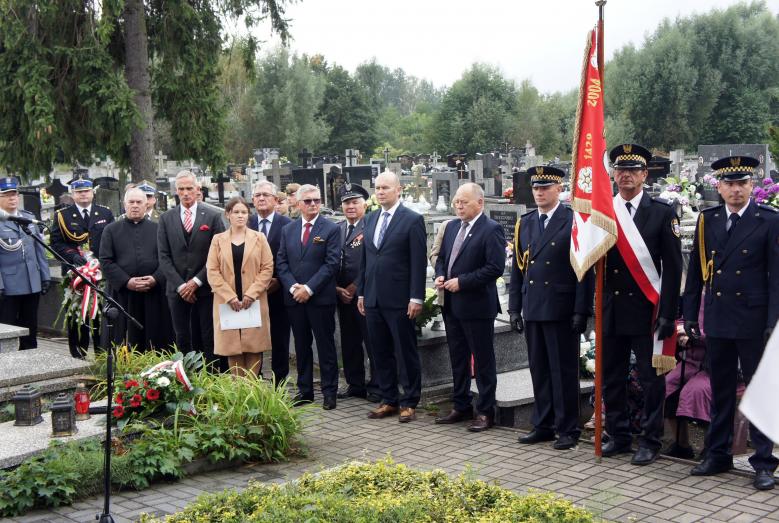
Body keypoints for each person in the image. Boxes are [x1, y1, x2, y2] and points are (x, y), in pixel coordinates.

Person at [682, 155, 779, 490]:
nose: (736, 190)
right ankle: (718, 453)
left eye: (742, 183)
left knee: (759, 392)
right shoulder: (707, 220)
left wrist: (773, 321)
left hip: (754, 320)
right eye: (729, 184)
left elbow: (776, 277)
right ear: (719, 187)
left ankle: (764, 462)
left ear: (752, 186)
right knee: (721, 390)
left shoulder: (768, 220)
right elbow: (695, 271)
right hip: (720, 318)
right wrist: (692, 312)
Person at [601, 144, 682, 465]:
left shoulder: (662, 212)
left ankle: (650, 439)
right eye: (620, 170)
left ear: (645, 175)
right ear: (614, 174)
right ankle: (618, 435)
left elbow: (674, 270)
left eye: (633, 171)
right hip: (612, 311)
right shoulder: (604, 211)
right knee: (612, 377)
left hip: (647, 312)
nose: (626, 176)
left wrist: (668, 314)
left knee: (650, 380)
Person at [508, 167, 593, 449]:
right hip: (533, 306)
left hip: (561, 308)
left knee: (563, 371)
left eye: (546, 188)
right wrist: (513, 308)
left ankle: (568, 428)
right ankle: (542, 424)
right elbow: (518, 269)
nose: (540, 192)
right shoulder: (527, 222)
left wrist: (581, 311)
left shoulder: (572, 221)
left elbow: (584, 270)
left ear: (559, 190)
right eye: (536, 188)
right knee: (539, 369)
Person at [434, 183, 505, 432]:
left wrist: (462, 282)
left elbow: (494, 267)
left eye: (464, 202)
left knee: (483, 361)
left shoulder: (491, 229)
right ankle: (461, 404)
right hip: (452, 305)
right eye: (456, 202)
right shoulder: (452, 226)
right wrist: (441, 275)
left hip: (476, 306)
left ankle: (485, 411)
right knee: (457, 358)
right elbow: (442, 257)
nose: (459, 206)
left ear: (480, 203)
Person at [357, 170, 427, 423]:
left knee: (404, 350)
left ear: (399, 190)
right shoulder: (371, 218)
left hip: (399, 299)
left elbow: (418, 262)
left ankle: (409, 401)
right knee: (380, 351)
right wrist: (362, 292)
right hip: (373, 297)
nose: (380, 191)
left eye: (386, 187)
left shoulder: (412, 220)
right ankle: (389, 399)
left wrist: (416, 297)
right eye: (377, 188)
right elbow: (366, 258)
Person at [276, 184, 341, 409]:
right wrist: (294, 288)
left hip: (320, 299)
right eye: (308, 201)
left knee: (325, 346)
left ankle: (330, 391)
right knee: (302, 346)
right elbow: (281, 262)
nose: (313, 204)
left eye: (316, 200)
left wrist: (309, 289)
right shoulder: (289, 230)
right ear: (299, 203)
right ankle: (305, 391)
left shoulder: (331, 229)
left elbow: (331, 264)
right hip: (294, 300)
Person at [157, 170, 226, 370]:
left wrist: (196, 282)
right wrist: (180, 286)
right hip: (176, 290)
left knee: (208, 336)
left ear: (197, 190)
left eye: (189, 188)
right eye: (181, 189)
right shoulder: (166, 218)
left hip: (204, 289)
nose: (186, 193)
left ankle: (212, 381)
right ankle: (185, 380)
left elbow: (218, 254)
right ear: (176, 191)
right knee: (182, 337)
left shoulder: (213, 216)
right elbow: (163, 256)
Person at [99, 188, 173, 351]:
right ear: (124, 204)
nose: (135, 206)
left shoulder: (158, 229)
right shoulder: (111, 230)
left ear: (146, 204)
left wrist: (156, 278)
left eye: (139, 202)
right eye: (131, 202)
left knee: (156, 338)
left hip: (153, 293)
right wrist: (127, 281)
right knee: (122, 339)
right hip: (123, 294)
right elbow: (105, 260)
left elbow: (167, 258)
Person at [207, 197, 274, 377]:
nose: (240, 216)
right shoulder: (218, 240)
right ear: (227, 215)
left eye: (244, 212)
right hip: (228, 303)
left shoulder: (259, 238)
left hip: (252, 301)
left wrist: (252, 294)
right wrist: (229, 296)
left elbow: (267, 268)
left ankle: (252, 392)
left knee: (254, 347)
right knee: (233, 349)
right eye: (236, 212)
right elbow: (212, 271)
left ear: (248, 215)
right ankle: (239, 394)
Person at [50, 177, 114, 358]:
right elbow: (56, 243)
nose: (83, 194)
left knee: (100, 313)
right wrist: (74, 257)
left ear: (93, 192)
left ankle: (102, 353)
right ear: (73, 194)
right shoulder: (63, 215)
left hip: (100, 272)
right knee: (77, 315)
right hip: (75, 274)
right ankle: (78, 352)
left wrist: (102, 261)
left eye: (86, 191)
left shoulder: (105, 214)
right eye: (79, 192)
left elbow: (112, 241)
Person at [336, 183, 380, 402]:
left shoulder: (371, 226)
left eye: (354, 202)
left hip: (364, 293)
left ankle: (377, 385)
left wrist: (354, 287)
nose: (350, 206)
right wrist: (338, 289)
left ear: (364, 204)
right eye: (346, 202)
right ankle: (355, 384)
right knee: (349, 341)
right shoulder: (337, 228)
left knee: (371, 341)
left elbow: (373, 261)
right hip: (341, 295)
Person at [248, 181, 292, 383]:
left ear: (276, 200)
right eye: (257, 195)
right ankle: (253, 380)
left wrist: (279, 281)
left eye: (266, 195)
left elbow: (292, 258)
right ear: (252, 200)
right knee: (252, 339)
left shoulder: (288, 225)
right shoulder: (244, 223)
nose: (261, 198)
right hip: (250, 293)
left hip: (278, 292)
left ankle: (279, 382)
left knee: (280, 339)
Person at [0, 177, 51, 349]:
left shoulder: (28, 218)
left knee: (30, 326)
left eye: (14, 194)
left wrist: (45, 276)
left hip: (31, 283)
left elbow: (39, 250)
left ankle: (31, 361)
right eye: (6, 195)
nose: (12, 198)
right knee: (8, 329)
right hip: (8, 286)